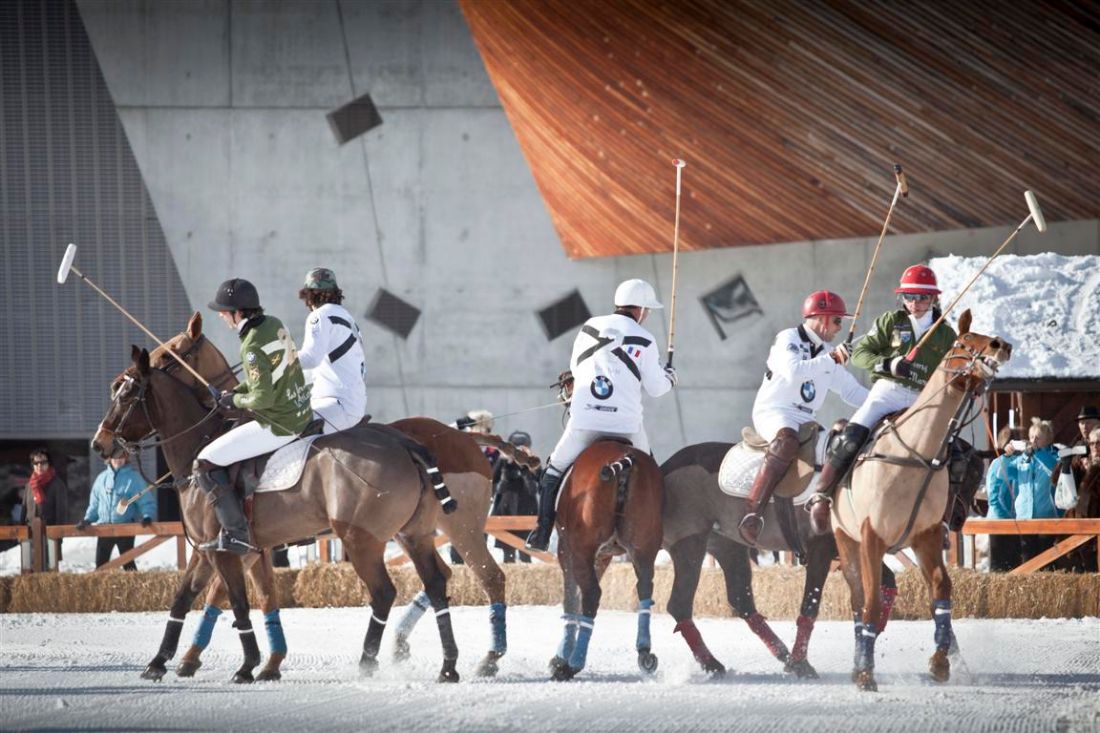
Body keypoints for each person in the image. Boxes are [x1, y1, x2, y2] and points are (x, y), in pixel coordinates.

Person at [526, 278, 677, 551]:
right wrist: (670, 377)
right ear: (640, 309)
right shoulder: (645, 339)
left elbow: (576, 367)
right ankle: (661, 532)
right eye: (648, 311)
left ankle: (542, 530)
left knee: (554, 470)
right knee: (653, 474)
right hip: (627, 426)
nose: (647, 316)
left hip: (584, 422)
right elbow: (656, 389)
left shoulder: (589, 327)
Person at [807, 264, 958, 534]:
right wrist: (889, 364)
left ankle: (944, 519)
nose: (915, 303)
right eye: (909, 297)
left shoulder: (946, 334)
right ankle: (822, 496)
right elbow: (860, 354)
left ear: (933, 298)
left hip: (923, 400)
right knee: (851, 435)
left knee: (956, 452)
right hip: (888, 392)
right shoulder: (891, 321)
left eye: (922, 297)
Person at [738, 290, 868, 544]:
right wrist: (831, 359)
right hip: (774, 411)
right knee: (787, 441)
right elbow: (793, 371)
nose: (840, 328)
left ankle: (823, 507)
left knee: (837, 446)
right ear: (821, 318)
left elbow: (851, 391)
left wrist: (883, 404)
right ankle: (752, 513)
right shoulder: (788, 338)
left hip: (805, 419)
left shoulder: (829, 353)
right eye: (838, 321)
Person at [195, 278, 313, 554]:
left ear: (239, 312)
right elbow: (269, 376)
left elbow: (262, 399)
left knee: (204, 463)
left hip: (278, 422)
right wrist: (235, 390)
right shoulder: (273, 323)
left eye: (224, 310)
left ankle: (237, 535)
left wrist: (233, 400)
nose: (222, 315)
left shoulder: (250, 346)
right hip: (300, 410)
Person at [296, 268, 367, 433]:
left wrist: (276, 360)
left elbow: (310, 358)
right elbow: (317, 370)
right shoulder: (346, 316)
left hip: (334, 404)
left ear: (308, 295)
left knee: (282, 431)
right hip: (350, 404)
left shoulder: (320, 316)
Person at [76, 453, 155, 570]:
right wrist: (88, 519)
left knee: (128, 564)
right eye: (115, 457)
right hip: (104, 529)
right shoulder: (101, 478)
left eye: (121, 457)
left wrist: (147, 516)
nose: (118, 460)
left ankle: (133, 588)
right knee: (101, 565)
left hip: (125, 528)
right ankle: (102, 588)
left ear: (126, 458)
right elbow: (95, 504)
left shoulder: (133, 478)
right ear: (109, 459)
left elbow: (146, 500)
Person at [1007, 417, 1061, 566]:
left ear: (1048, 440)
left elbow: (1055, 469)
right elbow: (1005, 474)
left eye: (1037, 437)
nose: (1033, 441)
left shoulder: (1054, 456)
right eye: (1031, 437)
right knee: (1027, 562)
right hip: (1025, 517)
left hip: (1047, 518)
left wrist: (1037, 453)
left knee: (1047, 562)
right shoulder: (1023, 458)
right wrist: (1007, 456)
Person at [492, 430, 539, 563]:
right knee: (508, 554)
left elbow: (540, 483)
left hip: (527, 510)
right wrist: (503, 460)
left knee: (526, 554)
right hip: (506, 510)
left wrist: (527, 466)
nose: (519, 452)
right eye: (516, 449)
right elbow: (493, 479)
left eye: (522, 449)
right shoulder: (505, 462)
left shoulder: (532, 462)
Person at [984, 426, 1024, 572]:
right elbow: (996, 497)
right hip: (1002, 520)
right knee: (1002, 567)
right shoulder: (999, 464)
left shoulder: (1003, 463)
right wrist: (1010, 517)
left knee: (1007, 567)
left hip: (1006, 520)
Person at [1063, 427, 1100, 571]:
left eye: (1098, 443)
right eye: (1092, 443)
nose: (1095, 447)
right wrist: (1065, 463)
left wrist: (1093, 470)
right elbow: (1055, 481)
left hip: (1095, 529)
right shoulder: (1084, 465)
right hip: (1080, 529)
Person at [25, 447, 67, 528]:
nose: (39, 466)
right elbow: (24, 511)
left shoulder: (58, 484)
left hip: (49, 531)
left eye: (43, 462)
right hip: (29, 531)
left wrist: (57, 535)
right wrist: (21, 533)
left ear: (48, 464)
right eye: (36, 463)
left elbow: (61, 513)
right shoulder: (29, 485)